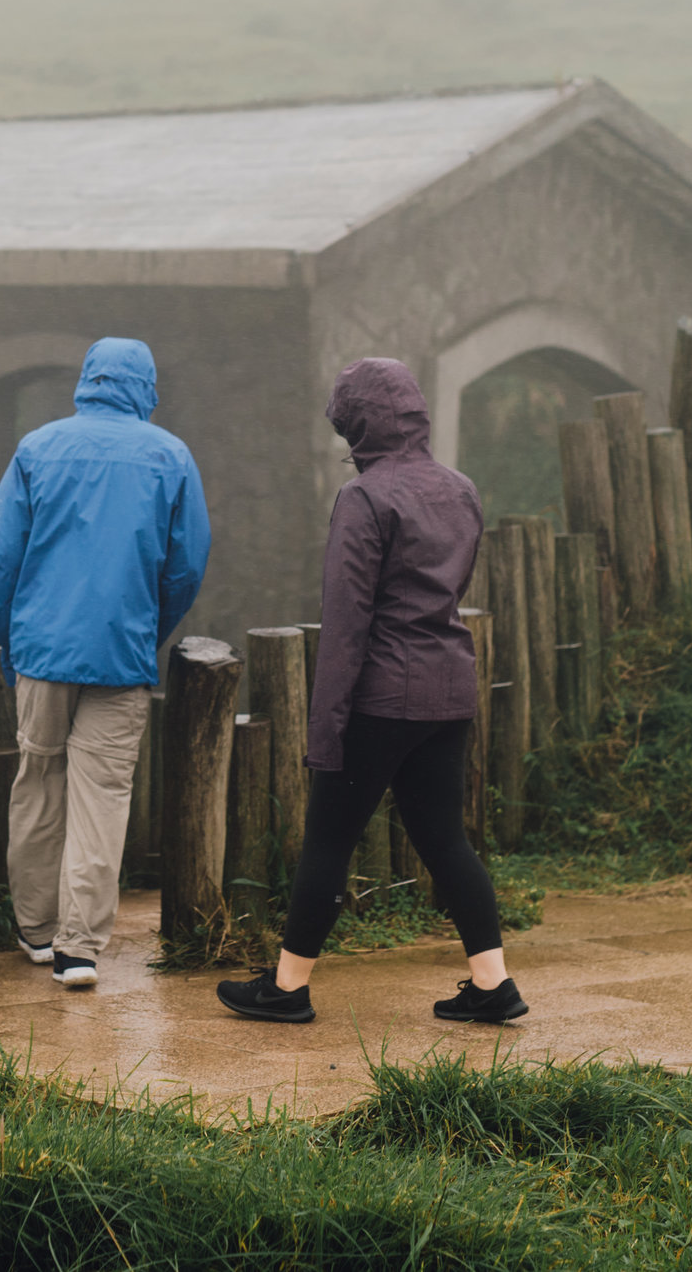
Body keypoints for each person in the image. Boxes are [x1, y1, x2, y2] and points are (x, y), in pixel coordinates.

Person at [216, 356, 525, 1025]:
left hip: (382, 695)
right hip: (448, 686)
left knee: (329, 839)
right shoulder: (461, 488)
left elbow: (347, 621)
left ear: (358, 424)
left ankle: (287, 987)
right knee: (446, 839)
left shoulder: (365, 498)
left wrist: (327, 727)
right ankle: (493, 981)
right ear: (414, 411)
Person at [0, 337, 210, 989]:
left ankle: (36, 929)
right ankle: (78, 950)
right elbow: (186, 566)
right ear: (145, 387)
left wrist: (9, 642)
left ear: (86, 380)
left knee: (39, 779)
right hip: (122, 655)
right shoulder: (171, 456)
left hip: (42, 655)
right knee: (102, 796)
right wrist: (147, 630)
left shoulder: (37, 447)